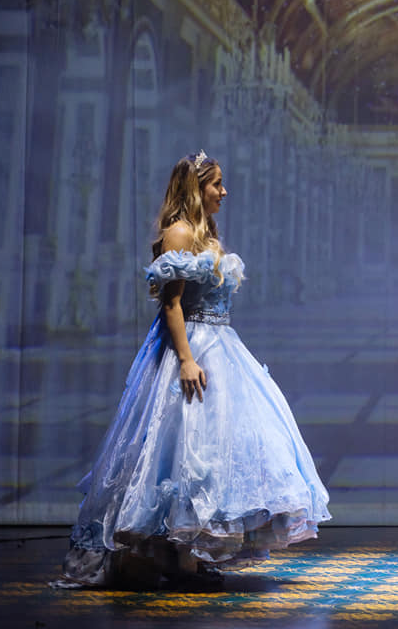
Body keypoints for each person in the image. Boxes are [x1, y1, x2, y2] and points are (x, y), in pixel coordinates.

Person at [51, 151, 331, 588]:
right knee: (183, 453)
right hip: (192, 348)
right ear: (196, 188)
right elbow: (172, 303)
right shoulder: (179, 233)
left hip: (222, 347)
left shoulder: (207, 234)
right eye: (216, 184)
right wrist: (185, 359)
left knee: (212, 454)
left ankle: (193, 554)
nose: (224, 192)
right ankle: (179, 558)